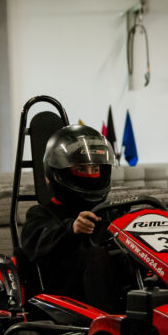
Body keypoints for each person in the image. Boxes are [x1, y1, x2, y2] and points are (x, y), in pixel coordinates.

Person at [20, 124, 125, 311]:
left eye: (95, 170)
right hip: (65, 298)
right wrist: (71, 229)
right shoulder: (40, 214)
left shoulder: (111, 212)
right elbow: (37, 244)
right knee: (96, 256)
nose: (90, 176)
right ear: (56, 173)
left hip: (117, 293)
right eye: (81, 169)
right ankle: (109, 322)